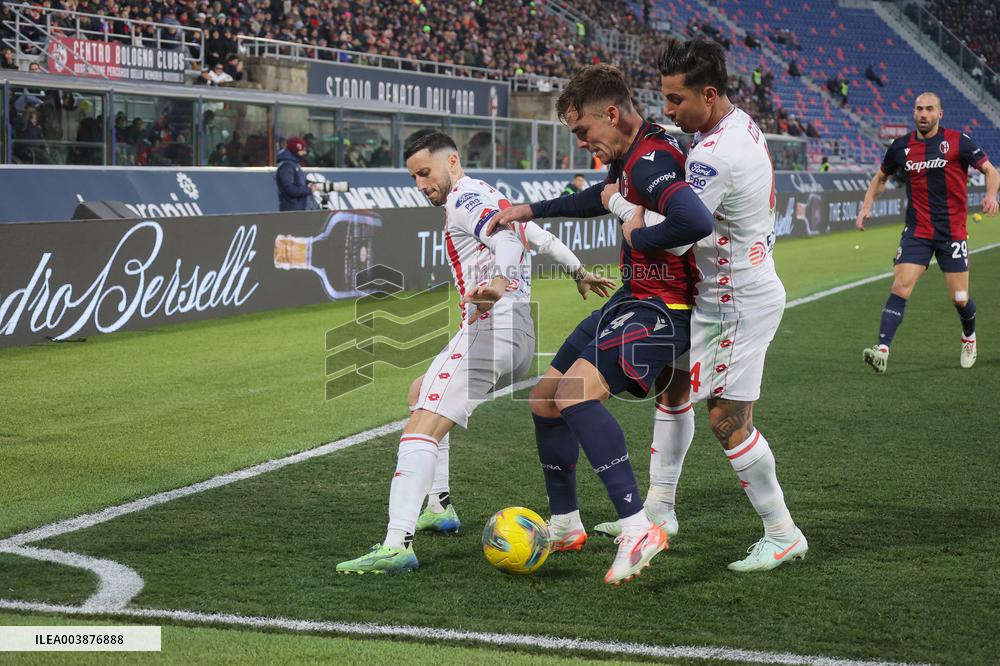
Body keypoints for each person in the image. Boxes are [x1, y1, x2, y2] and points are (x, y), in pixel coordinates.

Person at [335, 130, 613, 575]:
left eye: (425, 173)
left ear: (452, 163)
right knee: (418, 392)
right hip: (514, 329)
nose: (421, 184)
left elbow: (504, 239)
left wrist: (499, 284)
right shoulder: (488, 194)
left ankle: (395, 545)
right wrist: (578, 270)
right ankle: (439, 505)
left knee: (420, 428)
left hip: (492, 326)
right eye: (413, 177)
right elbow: (536, 236)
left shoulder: (465, 198)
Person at [487, 63, 716, 585]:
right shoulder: (634, 154)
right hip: (633, 299)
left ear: (611, 114)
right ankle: (567, 523)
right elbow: (600, 195)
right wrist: (532, 209)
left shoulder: (653, 157)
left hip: (662, 311)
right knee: (546, 398)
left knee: (575, 394)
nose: (584, 143)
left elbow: (695, 221)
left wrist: (637, 239)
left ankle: (638, 528)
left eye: (584, 132)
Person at [587, 37, 809, 572]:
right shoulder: (734, 125)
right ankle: (660, 510)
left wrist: (619, 205)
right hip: (720, 292)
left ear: (709, 95)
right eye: (662, 97)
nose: (667, 109)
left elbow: (676, 235)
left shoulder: (713, 154)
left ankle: (782, 532)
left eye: (675, 99)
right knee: (673, 390)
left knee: (727, 420)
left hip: (736, 301)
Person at [856, 92, 999, 373]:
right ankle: (882, 349)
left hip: (952, 233)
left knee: (960, 298)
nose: (923, 114)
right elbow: (881, 176)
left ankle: (968, 336)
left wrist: (991, 195)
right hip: (917, 232)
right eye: (919, 109)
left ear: (939, 114)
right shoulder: (901, 146)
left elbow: (991, 171)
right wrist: (866, 206)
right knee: (900, 285)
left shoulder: (958, 141)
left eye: (929, 109)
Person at [276, 137, 316, 211]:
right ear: (296, 151)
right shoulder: (286, 167)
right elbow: (290, 189)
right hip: (291, 211)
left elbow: (300, 181)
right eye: (302, 150)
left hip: (298, 209)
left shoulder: (294, 164)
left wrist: (312, 184)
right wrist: (308, 190)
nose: (305, 153)